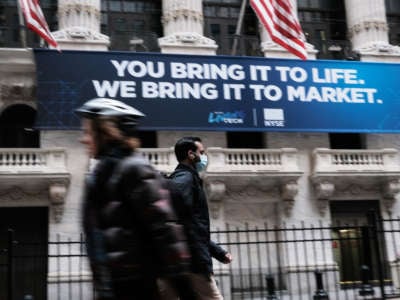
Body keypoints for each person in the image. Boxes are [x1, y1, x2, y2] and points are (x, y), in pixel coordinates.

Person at [76, 98, 190, 300]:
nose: (83, 139)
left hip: (136, 286)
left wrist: (184, 289)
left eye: (87, 132)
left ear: (106, 132)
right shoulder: (101, 175)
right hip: (111, 286)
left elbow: (165, 231)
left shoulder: (134, 169)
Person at [167, 136, 233, 300]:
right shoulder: (185, 179)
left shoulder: (189, 178)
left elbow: (192, 224)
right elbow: (180, 220)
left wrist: (217, 252)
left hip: (188, 259)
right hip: (193, 262)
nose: (204, 157)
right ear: (191, 154)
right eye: (201, 152)